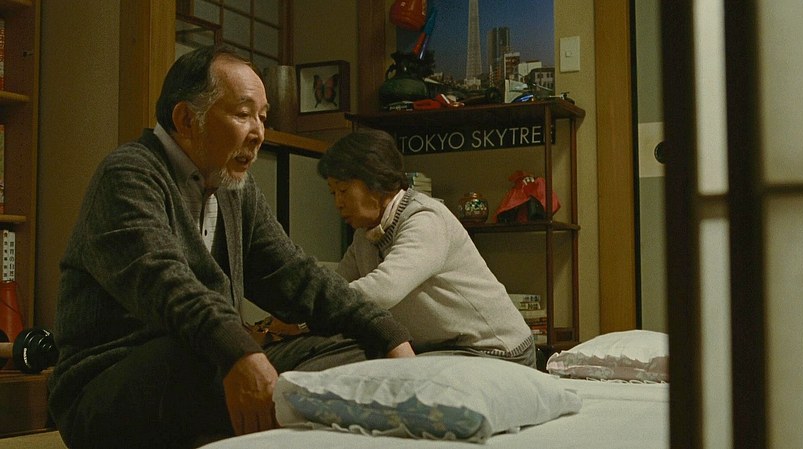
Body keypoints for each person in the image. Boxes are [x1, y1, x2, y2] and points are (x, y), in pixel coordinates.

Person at [47, 45, 414, 449]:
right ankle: (265, 420)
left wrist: (387, 335)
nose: (258, 133)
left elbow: (296, 275)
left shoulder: (235, 188)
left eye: (263, 117)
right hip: (107, 388)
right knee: (203, 353)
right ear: (187, 120)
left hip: (201, 365)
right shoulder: (128, 174)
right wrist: (239, 352)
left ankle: (248, 425)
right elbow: (165, 284)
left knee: (354, 346)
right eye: (243, 114)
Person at [317, 129, 536, 369]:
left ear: (376, 182)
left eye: (343, 191)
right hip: (443, 351)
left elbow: (384, 289)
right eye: (333, 193)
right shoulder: (364, 234)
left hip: (494, 351)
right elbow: (338, 284)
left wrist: (310, 314)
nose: (338, 203)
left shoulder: (424, 218)